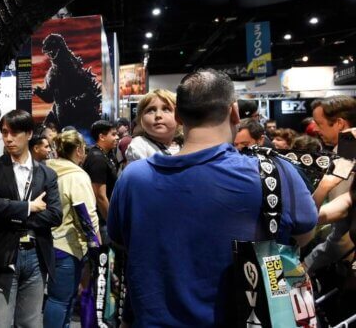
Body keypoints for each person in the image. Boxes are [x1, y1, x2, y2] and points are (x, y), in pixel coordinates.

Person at [107, 69, 317, 327]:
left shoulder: (132, 178)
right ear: (235, 112)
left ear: (178, 116)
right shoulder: (275, 173)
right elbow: (302, 237)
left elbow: (121, 240)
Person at [0, 109, 62, 328]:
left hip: (36, 254)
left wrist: (13, 216)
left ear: (29, 134)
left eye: (14, 133)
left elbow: (55, 214)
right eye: (4, 132)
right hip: (2, 254)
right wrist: (29, 207)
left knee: (31, 323)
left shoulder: (46, 173)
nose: (8, 138)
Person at [44, 130, 100, 328]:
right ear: (78, 150)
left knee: (58, 299)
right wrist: (96, 244)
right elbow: (87, 214)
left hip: (48, 241)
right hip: (67, 246)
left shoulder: (47, 168)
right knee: (60, 300)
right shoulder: (77, 176)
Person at [305, 97, 356, 273]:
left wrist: (305, 266)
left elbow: (342, 226)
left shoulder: (348, 149)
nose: (315, 129)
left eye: (319, 123)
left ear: (340, 123)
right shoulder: (345, 149)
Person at [124, 89, 179, 165]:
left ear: (179, 116)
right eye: (150, 110)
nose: (158, 115)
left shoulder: (184, 144)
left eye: (166, 109)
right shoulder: (140, 145)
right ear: (141, 119)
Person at [82, 120, 119, 225]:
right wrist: (112, 223)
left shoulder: (108, 153)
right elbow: (100, 196)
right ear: (102, 137)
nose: (117, 137)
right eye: (113, 134)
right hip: (102, 219)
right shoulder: (97, 158)